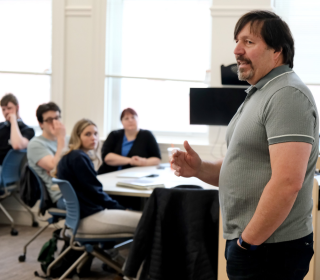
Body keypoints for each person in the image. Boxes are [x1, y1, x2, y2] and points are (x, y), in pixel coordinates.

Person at [172, 10, 318, 280]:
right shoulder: (260, 93)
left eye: (249, 42)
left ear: (277, 51)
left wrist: (247, 243)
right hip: (256, 244)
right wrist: (199, 168)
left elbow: (288, 182)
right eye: (237, 41)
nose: (237, 50)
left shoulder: (287, 95)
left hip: (268, 248)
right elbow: (244, 167)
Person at [56, 118, 141, 235]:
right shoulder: (78, 158)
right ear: (77, 136)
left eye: (95, 133)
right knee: (146, 220)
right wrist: (121, 209)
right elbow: (96, 193)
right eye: (88, 134)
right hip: (89, 218)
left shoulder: (70, 155)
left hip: (77, 218)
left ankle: (113, 252)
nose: (93, 138)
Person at [98, 108, 161, 175]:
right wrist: (131, 161)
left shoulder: (147, 135)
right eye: (126, 118)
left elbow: (156, 159)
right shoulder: (114, 134)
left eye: (133, 117)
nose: (130, 120)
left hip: (136, 175)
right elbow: (107, 157)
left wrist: (142, 162)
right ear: (122, 122)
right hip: (109, 174)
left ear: (138, 119)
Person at [27, 102, 66, 210]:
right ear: (41, 124)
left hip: (79, 189)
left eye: (57, 118)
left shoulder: (66, 138)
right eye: (49, 120)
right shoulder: (35, 144)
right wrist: (61, 139)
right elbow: (55, 168)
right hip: (62, 196)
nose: (54, 122)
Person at [0, 93, 35, 168]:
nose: (6, 112)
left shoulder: (28, 130)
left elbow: (17, 145)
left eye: (9, 108)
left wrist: (13, 121)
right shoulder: (1, 127)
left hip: (9, 170)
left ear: (17, 107)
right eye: (3, 109)